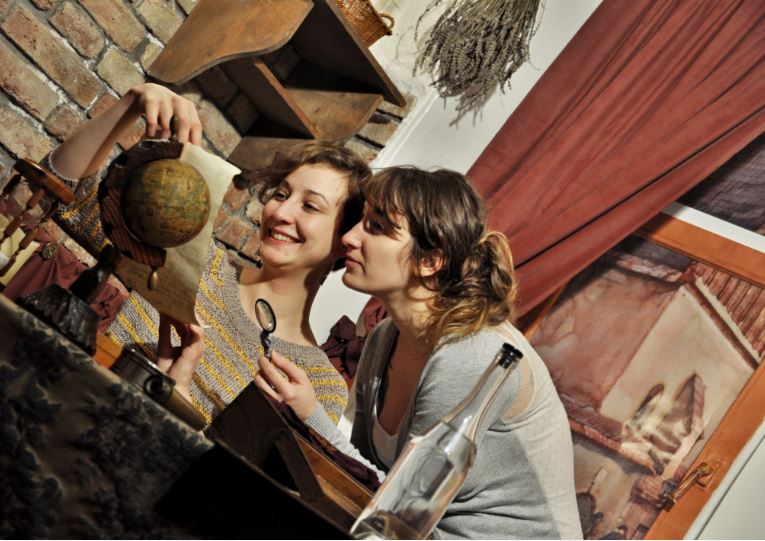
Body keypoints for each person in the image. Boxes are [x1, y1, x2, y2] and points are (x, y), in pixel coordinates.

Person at [255, 167, 583, 539]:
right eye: (361, 222)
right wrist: (306, 412)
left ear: (430, 261)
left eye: (377, 227)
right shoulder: (383, 339)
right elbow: (364, 479)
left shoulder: (470, 355)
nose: (349, 237)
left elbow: (400, 510)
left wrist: (312, 416)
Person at [44, 83, 370, 425]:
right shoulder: (194, 260)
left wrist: (179, 400)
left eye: (310, 206)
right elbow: (63, 194)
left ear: (345, 239)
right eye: (281, 194)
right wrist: (131, 104)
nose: (281, 213)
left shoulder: (319, 386)